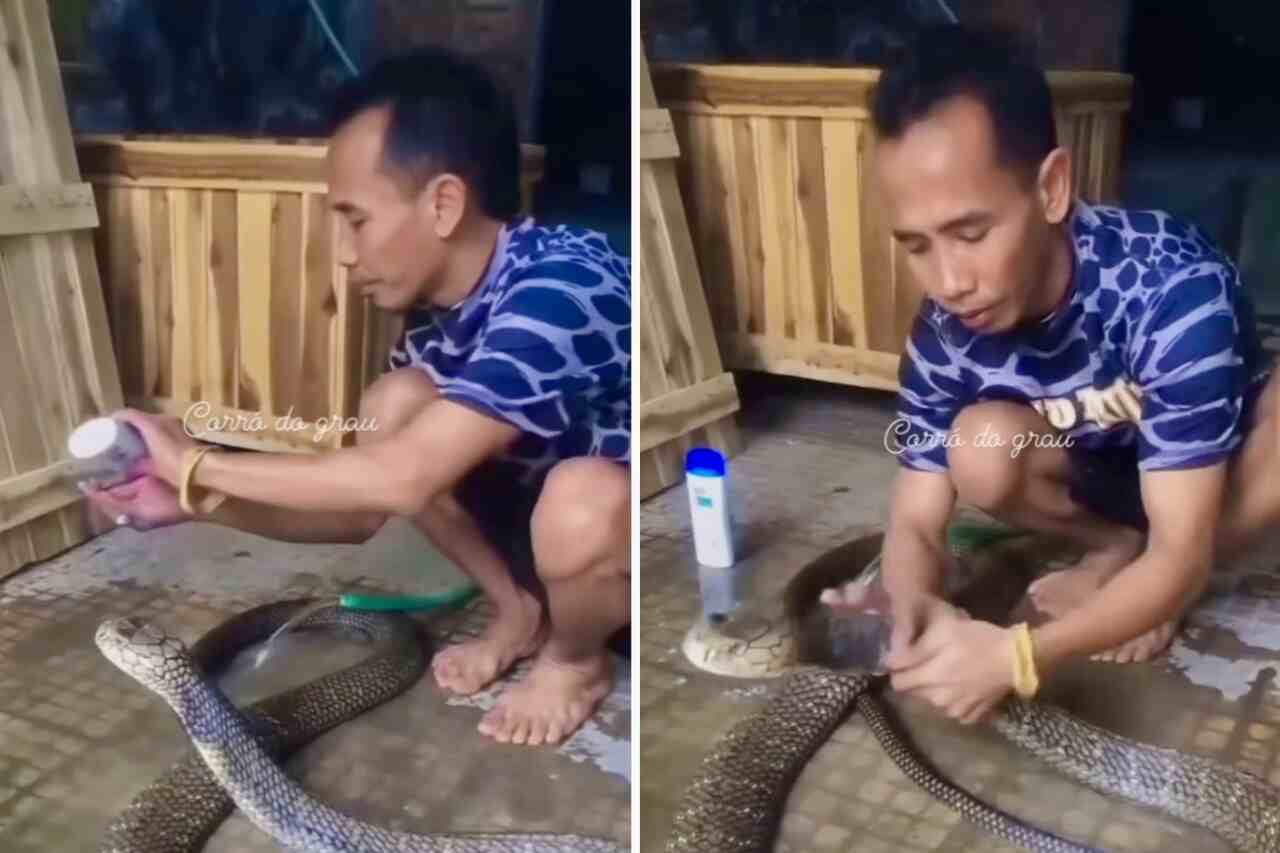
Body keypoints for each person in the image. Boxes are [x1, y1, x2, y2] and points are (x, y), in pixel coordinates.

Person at [86, 48, 632, 748]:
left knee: (582, 499)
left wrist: (195, 460)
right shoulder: (436, 318)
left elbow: (406, 475)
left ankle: (576, 658)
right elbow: (359, 510)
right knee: (393, 404)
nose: (344, 254)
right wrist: (194, 501)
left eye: (357, 220)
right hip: (532, 541)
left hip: (612, 549)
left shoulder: (561, 284)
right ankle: (518, 608)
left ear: (442, 203)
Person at [822, 24, 1278, 725]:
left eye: (972, 233)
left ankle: (1149, 585)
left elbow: (1185, 547)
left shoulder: (1173, 293)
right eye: (917, 245)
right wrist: (908, 603)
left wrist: (1018, 655)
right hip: (1100, 469)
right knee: (975, 446)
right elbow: (915, 518)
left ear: (1052, 188)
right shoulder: (940, 331)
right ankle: (1120, 552)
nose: (949, 280)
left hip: (1212, 484)